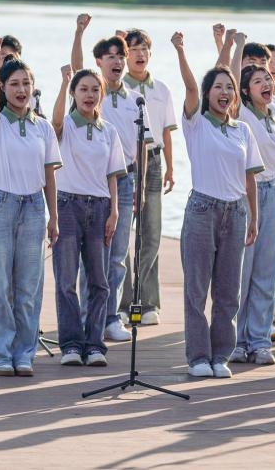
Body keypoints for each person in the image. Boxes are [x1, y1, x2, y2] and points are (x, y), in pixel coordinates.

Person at [171, 31, 262, 378]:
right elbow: (191, 89)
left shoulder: (242, 131)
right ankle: (198, 357)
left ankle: (220, 355)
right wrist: (181, 50)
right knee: (197, 289)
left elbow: (250, 176)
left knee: (228, 290)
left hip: (235, 211)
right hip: (202, 210)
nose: (224, 93)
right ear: (208, 94)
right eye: (218, 87)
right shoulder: (196, 123)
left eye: (230, 87)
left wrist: (252, 215)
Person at [0, 39, 61, 376]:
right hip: (1, 204)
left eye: (26, 83)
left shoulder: (42, 126)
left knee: (28, 285)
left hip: (33, 208)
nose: (21, 89)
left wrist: (53, 216)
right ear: (2, 87)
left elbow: (49, 174)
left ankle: (24, 352)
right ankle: (0, 352)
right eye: (14, 84)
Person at [70, 15, 152, 343]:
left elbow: (140, 146)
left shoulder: (135, 99)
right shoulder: (92, 94)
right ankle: (87, 316)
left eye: (122, 56)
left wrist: (141, 188)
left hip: (125, 180)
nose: (118, 61)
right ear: (99, 63)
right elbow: (77, 69)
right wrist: (79, 31)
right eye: (112, 57)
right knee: (90, 256)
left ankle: (110, 317)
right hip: (91, 183)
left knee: (117, 255)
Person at [51, 65, 126, 366]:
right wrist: (63, 82)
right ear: (73, 94)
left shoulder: (109, 131)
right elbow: (55, 122)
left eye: (95, 90)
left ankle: (94, 344)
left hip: (100, 208)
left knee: (99, 281)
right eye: (83, 89)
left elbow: (113, 175)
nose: (90, 95)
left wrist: (115, 211)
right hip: (68, 205)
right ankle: (70, 344)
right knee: (66, 280)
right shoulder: (65, 126)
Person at [230, 63, 275, 366]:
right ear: (245, 90)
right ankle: (237, 341)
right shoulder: (242, 114)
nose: (266, 83)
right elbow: (227, 72)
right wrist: (233, 42)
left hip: (273, 192)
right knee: (244, 271)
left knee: (267, 271)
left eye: (268, 78)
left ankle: (260, 341)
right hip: (246, 193)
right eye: (257, 81)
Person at [118, 28, 177, 326]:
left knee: (151, 233)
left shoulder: (161, 89)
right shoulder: (116, 87)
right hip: (125, 162)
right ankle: (125, 301)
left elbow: (167, 130)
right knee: (120, 234)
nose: (140, 54)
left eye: (145, 49)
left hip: (153, 161)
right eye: (134, 49)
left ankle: (147, 300)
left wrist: (171, 167)